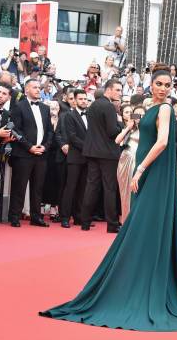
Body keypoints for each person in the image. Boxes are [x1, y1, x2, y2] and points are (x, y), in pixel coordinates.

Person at [39, 64, 177, 331]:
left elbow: (162, 142)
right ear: (151, 85)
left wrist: (140, 170)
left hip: (153, 173)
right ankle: (138, 281)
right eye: (159, 84)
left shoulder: (164, 109)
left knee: (140, 225)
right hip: (146, 170)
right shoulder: (149, 106)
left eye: (168, 85)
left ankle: (141, 285)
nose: (163, 88)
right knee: (141, 225)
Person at [8, 79, 53, 227]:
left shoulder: (45, 109)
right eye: (34, 87)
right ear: (26, 90)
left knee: (38, 187)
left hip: (41, 154)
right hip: (23, 153)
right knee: (19, 186)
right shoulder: (19, 107)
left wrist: (45, 147)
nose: (38, 90)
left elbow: (50, 132)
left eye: (39, 87)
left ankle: (36, 217)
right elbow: (16, 130)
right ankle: (14, 216)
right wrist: (29, 147)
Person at [79, 79, 123, 233]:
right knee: (109, 188)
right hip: (107, 154)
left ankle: (84, 222)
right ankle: (112, 224)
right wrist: (121, 125)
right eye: (117, 90)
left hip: (92, 152)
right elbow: (112, 131)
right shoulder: (109, 106)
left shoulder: (93, 106)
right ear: (109, 90)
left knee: (91, 186)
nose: (120, 93)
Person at [60, 89, 89, 228]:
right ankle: (65, 217)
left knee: (83, 189)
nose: (84, 101)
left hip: (88, 158)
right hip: (75, 157)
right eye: (81, 99)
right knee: (70, 188)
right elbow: (71, 137)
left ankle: (79, 217)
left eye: (86, 99)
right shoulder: (69, 115)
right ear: (75, 100)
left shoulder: (90, 115)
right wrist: (89, 147)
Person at [115, 106, 144, 222]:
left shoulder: (147, 129)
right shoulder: (129, 128)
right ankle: (125, 219)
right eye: (136, 114)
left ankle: (135, 220)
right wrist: (128, 127)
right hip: (124, 160)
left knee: (135, 190)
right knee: (124, 191)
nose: (138, 117)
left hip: (138, 161)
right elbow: (117, 141)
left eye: (141, 114)